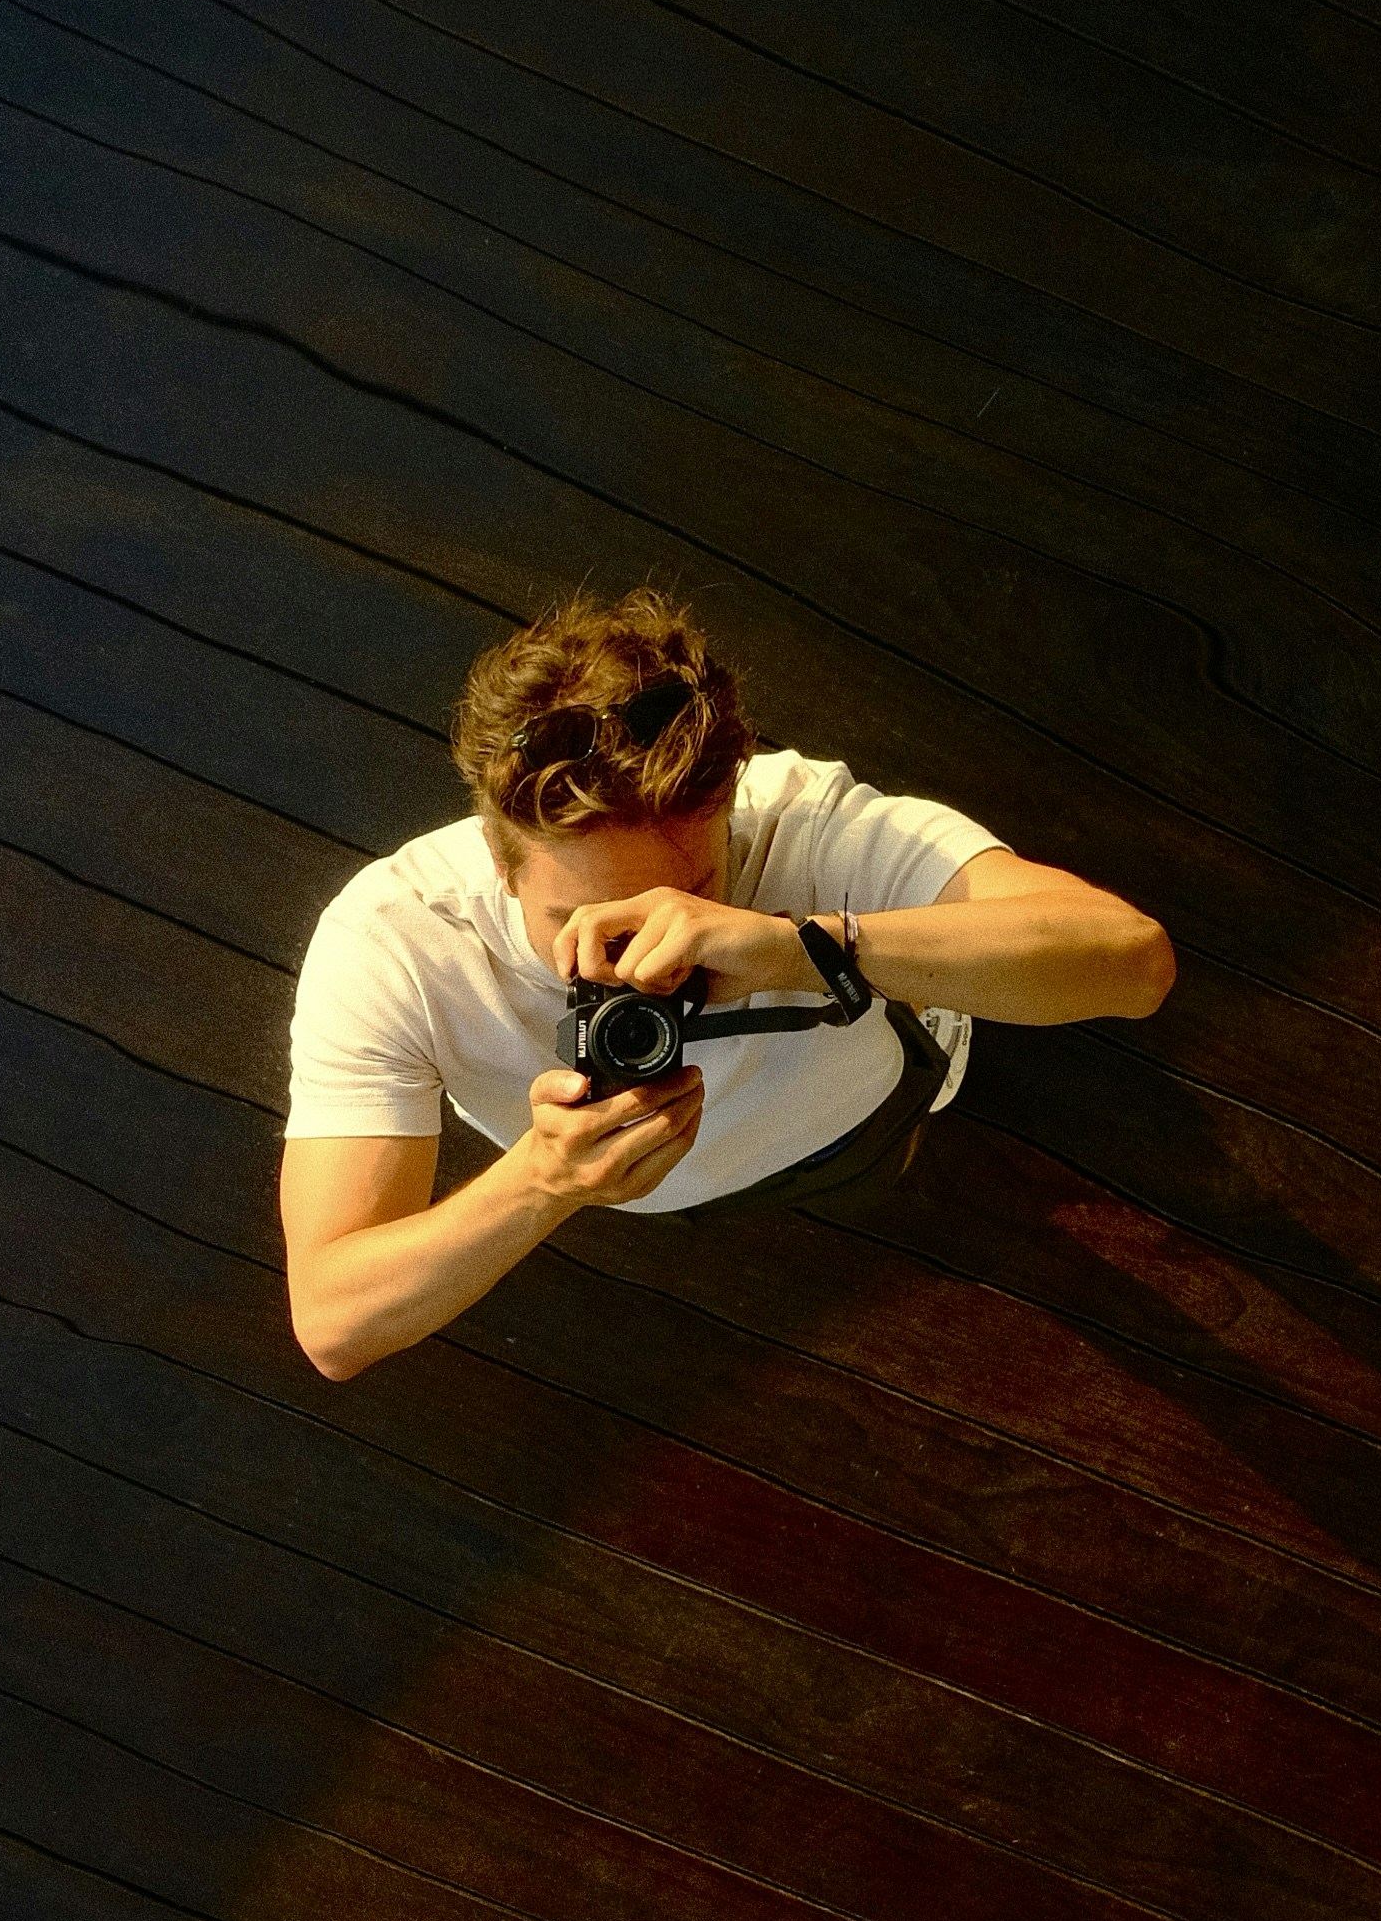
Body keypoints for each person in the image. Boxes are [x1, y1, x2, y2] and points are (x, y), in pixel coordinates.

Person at [281, 583, 1174, 1381]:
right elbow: (332, 1322)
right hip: (644, 1196)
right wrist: (543, 1182)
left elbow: (1132, 964)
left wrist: (812, 946)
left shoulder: (800, 822)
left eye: (688, 896)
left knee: (927, 1173)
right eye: (581, 921)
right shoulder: (395, 944)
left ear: (731, 807)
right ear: (498, 862)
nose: (645, 961)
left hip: (884, 1112)